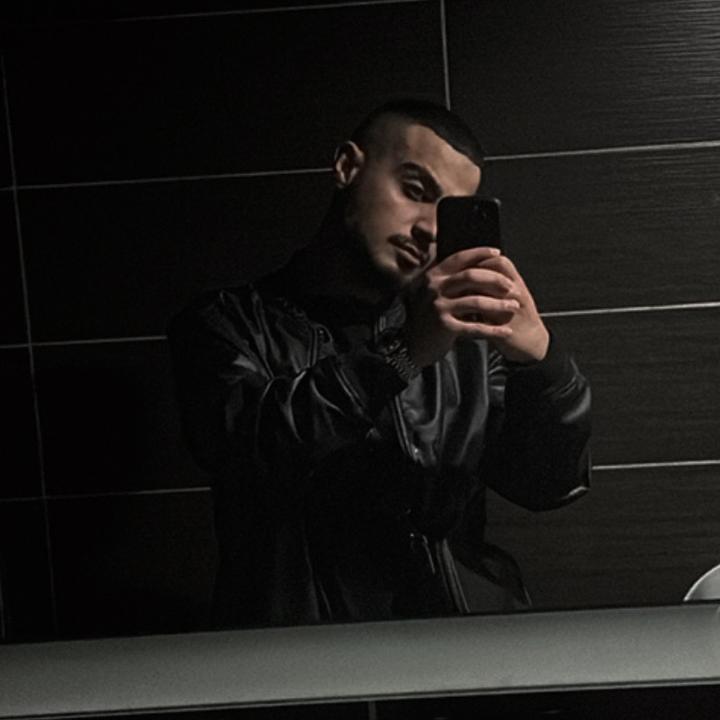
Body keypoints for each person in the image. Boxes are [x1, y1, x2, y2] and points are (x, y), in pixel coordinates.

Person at [168, 99, 591, 629]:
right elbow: (246, 449)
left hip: (456, 646)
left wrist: (543, 365)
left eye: (448, 213)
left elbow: (546, 485)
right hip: (295, 653)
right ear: (348, 166)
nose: (429, 230)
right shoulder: (228, 323)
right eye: (415, 191)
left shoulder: (465, 345)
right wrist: (403, 354)